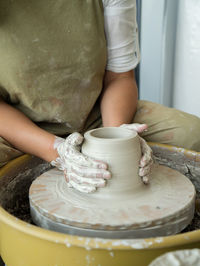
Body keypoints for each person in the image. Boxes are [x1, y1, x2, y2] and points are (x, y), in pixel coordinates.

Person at [0, 0, 200, 193]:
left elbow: (120, 78)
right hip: (14, 126)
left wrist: (115, 139)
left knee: (192, 135)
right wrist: (56, 150)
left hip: (97, 115)